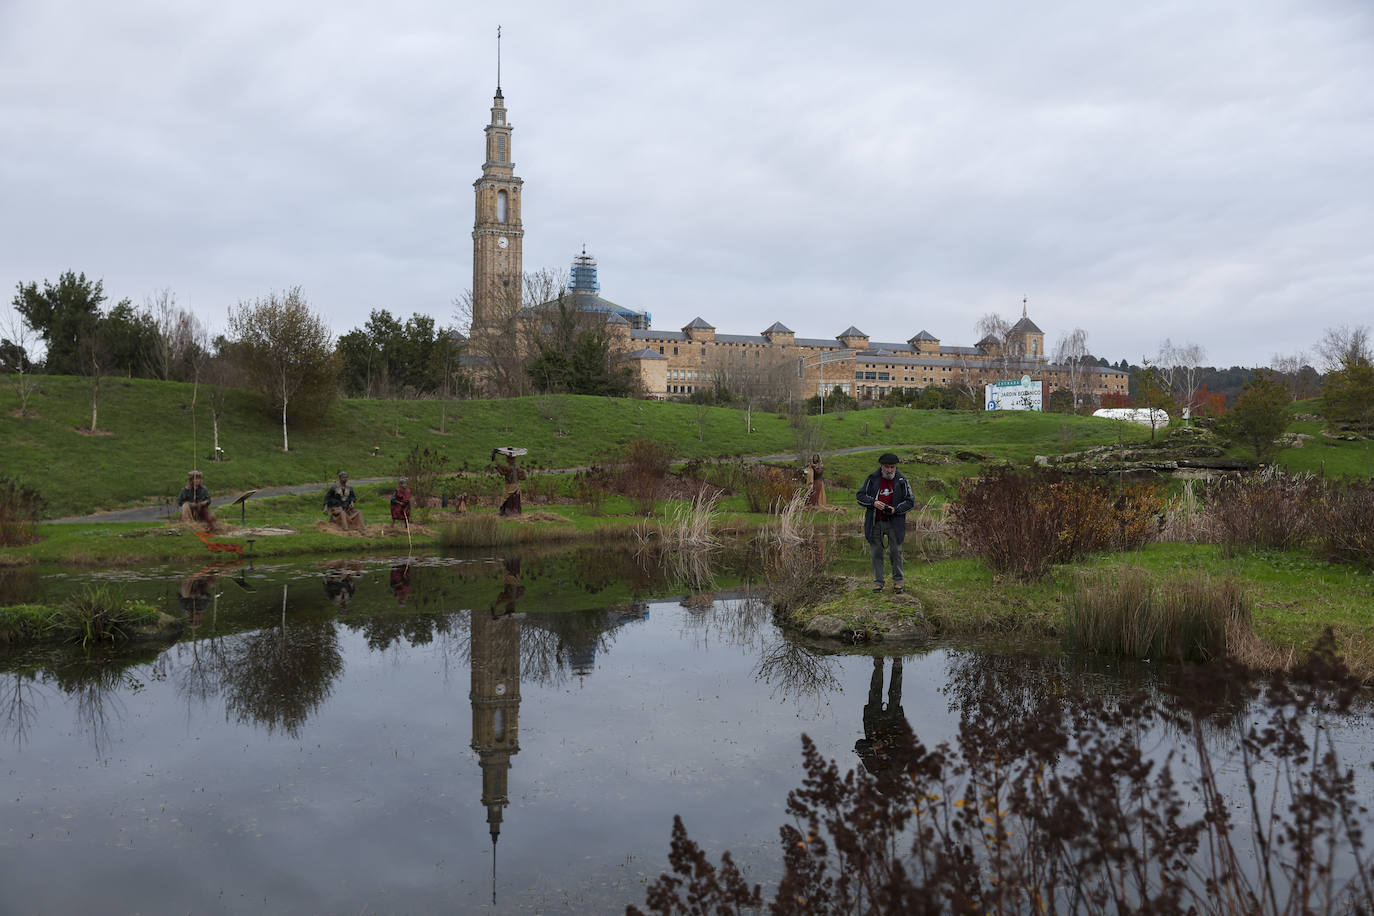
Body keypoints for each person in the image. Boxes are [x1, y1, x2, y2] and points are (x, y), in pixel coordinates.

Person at [856, 452, 915, 593]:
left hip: (895, 523)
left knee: (896, 552)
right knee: (876, 552)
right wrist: (873, 502)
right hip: (875, 522)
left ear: (895, 467)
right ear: (881, 466)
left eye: (892, 467)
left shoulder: (902, 480)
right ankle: (878, 582)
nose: (889, 470)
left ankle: (898, 582)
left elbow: (910, 501)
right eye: (887, 467)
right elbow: (860, 496)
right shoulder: (872, 479)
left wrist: (896, 509)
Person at [493, 450, 525, 517]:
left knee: (510, 499)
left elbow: (504, 469)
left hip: (512, 487)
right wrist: (498, 468)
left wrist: (496, 461)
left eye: (508, 458)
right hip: (509, 486)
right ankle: (508, 512)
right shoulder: (514, 467)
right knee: (509, 500)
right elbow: (502, 473)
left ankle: (511, 513)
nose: (507, 459)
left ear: (511, 460)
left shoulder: (511, 467)